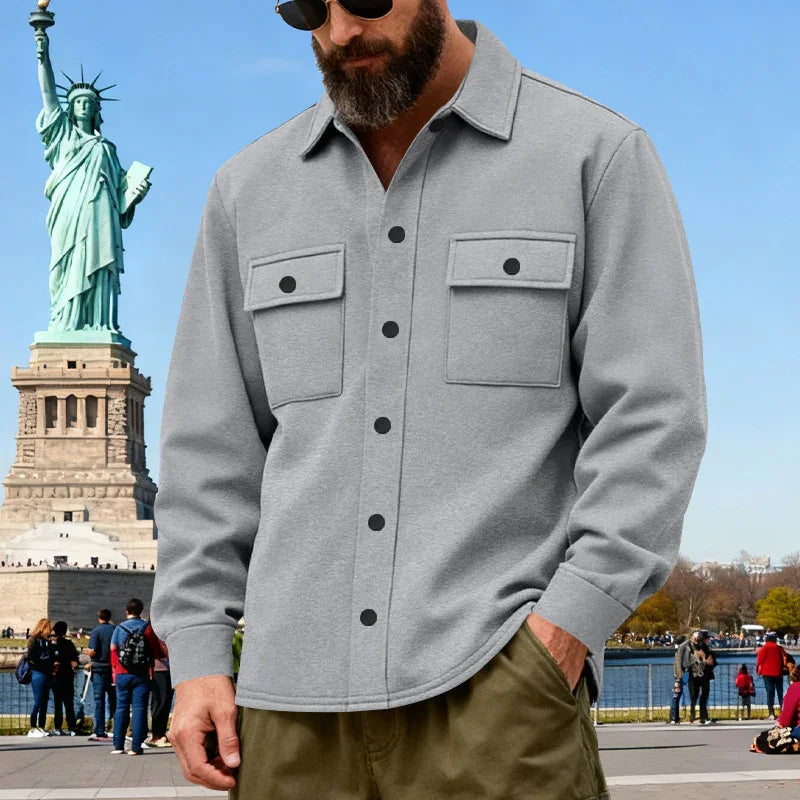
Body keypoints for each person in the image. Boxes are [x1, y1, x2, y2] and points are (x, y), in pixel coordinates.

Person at [149, 2, 707, 797]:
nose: (341, 31)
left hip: (499, 699)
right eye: (312, 7)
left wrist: (563, 634)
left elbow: (655, 419)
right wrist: (199, 654)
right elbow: (209, 452)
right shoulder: (246, 192)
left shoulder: (595, 156)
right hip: (284, 722)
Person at [110, 598, 165, 755]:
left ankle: (118, 745)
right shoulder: (147, 628)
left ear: (127, 611)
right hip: (142, 674)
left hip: (122, 673)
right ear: (141, 611)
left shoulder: (119, 628)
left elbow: (113, 650)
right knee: (140, 708)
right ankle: (136, 746)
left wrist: (115, 670)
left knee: (121, 707)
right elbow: (157, 652)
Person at [84, 608, 116, 741]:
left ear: (99, 618)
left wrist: (86, 652)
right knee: (114, 700)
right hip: (113, 669)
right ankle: (116, 728)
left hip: (99, 669)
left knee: (99, 701)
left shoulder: (96, 631)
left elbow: (93, 651)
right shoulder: (115, 629)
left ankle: (99, 729)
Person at [26, 618, 55, 737]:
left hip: (47, 673)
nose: (51, 631)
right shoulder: (34, 640)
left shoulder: (47, 642)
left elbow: (51, 656)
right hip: (38, 673)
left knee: (44, 701)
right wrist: (45, 662)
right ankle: (33, 726)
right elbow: (32, 658)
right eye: (49, 628)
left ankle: (41, 726)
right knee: (38, 701)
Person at [51, 620, 80, 735]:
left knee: (57, 703)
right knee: (69, 703)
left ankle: (58, 727)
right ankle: (72, 727)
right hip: (68, 676)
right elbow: (75, 660)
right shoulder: (69, 644)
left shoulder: (53, 644)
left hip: (56, 676)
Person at [144, 635, 173, 748]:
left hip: (159, 669)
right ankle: (157, 735)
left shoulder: (150, 630)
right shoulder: (153, 632)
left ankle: (158, 733)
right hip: (160, 668)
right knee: (162, 701)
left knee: (159, 702)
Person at [670, 631, 702, 724]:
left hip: (690, 672)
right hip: (683, 672)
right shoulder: (683, 646)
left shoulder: (696, 646)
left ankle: (694, 716)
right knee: (677, 693)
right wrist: (677, 678)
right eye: (696, 639)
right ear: (692, 638)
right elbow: (678, 662)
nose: (698, 641)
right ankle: (673, 717)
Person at [756, 631, 788, 719]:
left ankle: (771, 713)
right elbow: (785, 658)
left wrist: (758, 671)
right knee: (780, 692)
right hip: (778, 672)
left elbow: (759, 661)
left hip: (766, 673)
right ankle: (783, 711)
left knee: (770, 692)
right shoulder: (779, 648)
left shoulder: (763, 648)